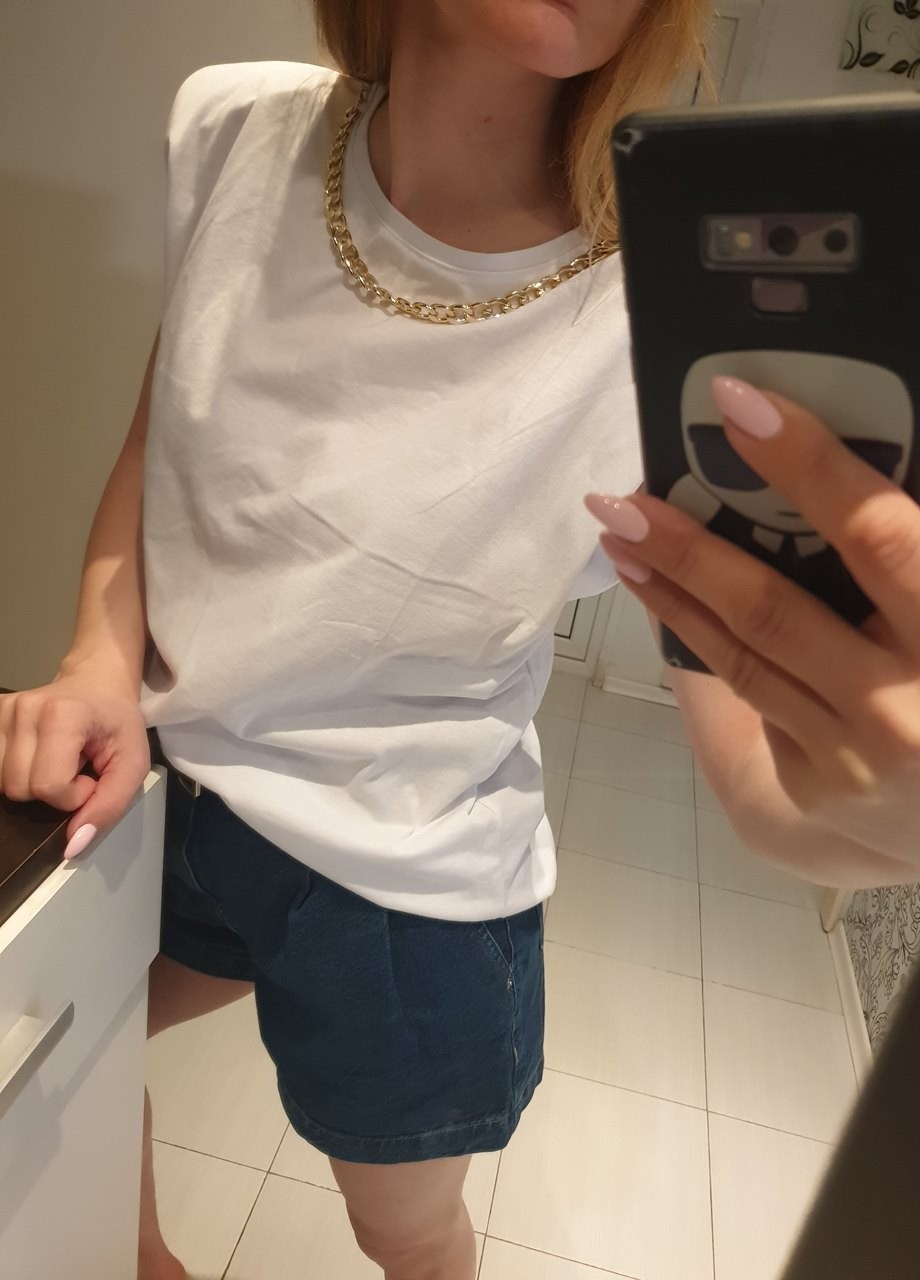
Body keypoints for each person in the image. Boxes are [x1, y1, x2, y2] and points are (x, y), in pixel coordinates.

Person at [6, 3, 920, 1279]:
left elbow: (760, 779)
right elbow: (157, 435)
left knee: (406, 1235)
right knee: (66, 1078)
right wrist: (97, 661)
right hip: (170, 804)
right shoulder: (230, 128)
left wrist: (880, 817)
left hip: (404, 886)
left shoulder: (664, 306)